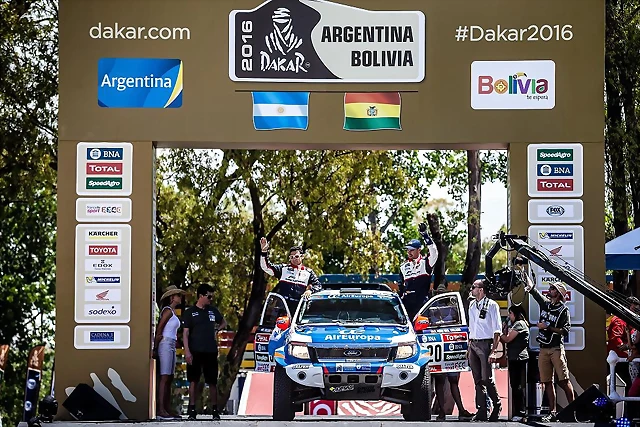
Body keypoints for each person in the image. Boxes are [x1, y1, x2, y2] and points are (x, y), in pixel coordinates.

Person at [523, 274, 575, 422]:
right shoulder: (545, 304)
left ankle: (572, 410)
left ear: (558, 294)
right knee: (546, 382)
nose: (549, 290)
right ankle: (553, 412)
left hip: (556, 348)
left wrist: (549, 327)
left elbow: (565, 330)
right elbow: (535, 293)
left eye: (552, 288)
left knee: (564, 380)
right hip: (543, 348)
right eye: (550, 287)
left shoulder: (563, 311)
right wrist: (530, 285)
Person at [182, 283, 227, 421]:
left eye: (212, 296)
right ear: (200, 296)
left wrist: (217, 330)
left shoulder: (213, 311)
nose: (211, 299)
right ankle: (192, 410)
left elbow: (223, 322)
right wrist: (187, 352)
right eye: (208, 296)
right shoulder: (190, 312)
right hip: (195, 351)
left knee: (212, 381)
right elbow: (185, 334)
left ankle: (215, 410)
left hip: (211, 351)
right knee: (193, 380)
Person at [431, 284, 475, 421]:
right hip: (438, 350)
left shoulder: (453, 310)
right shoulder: (431, 310)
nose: (440, 296)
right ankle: (442, 412)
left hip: (451, 350)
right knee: (439, 381)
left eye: (442, 294)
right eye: (438, 293)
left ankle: (460, 410)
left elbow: (461, 327)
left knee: (453, 381)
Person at [467, 279, 502, 421]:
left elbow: (497, 331)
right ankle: (482, 410)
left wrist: (494, 351)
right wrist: (469, 345)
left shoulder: (492, 305)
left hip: (485, 344)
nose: (472, 290)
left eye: (474, 287)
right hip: (473, 343)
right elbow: (471, 326)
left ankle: (497, 404)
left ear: (481, 289)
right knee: (477, 380)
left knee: (487, 378)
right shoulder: (471, 305)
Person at [260, 237, 322, 315]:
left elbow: (318, 286)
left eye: (296, 256)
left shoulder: (308, 272)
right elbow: (266, 267)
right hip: (282, 308)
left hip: (298, 309)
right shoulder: (283, 269)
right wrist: (264, 252)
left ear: (302, 257)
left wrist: (310, 290)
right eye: (291, 257)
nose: (294, 259)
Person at [153, 285, 187, 420]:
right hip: (165, 344)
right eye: (178, 295)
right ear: (172, 297)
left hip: (171, 344)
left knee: (169, 377)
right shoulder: (167, 311)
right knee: (165, 376)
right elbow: (160, 328)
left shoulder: (172, 311)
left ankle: (166, 408)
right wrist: (156, 347)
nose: (180, 297)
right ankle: (161, 409)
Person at [398, 222, 438, 319]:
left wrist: (425, 235)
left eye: (412, 250)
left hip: (422, 305)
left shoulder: (426, 263)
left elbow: (434, 252)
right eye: (408, 250)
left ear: (419, 250)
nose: (409, 252)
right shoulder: (403, 266)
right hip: (407, 306)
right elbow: (401, 286)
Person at [499, 304, 529, 421]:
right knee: (515, 386)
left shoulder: (519, 324)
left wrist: (499, 332)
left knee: (518, 387)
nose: (509, 316)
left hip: (518, 359)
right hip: (514, 358)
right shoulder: (516, 325)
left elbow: (507, 339)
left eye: (510, 314)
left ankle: (521, 412)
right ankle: (519, 412)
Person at [607, 296, 640, 395]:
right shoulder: (620, 320)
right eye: (635, 309)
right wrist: (627, 350)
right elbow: (616, 339)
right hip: (622, 360)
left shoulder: (631, 320)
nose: (636, 312)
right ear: (627, 307)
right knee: (629, 387)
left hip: (630, 358)